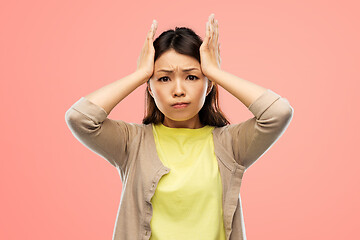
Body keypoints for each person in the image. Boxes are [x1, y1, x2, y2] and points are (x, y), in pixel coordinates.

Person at [65, 13, 293, 240]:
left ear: (209, 84)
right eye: (164, 78)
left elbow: (278, 113)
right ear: (150, 88)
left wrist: (215, 72)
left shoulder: (231, 144)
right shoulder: (132, 142)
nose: (178, 90)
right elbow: (80, 118)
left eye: (192, 77)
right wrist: (140, 74)